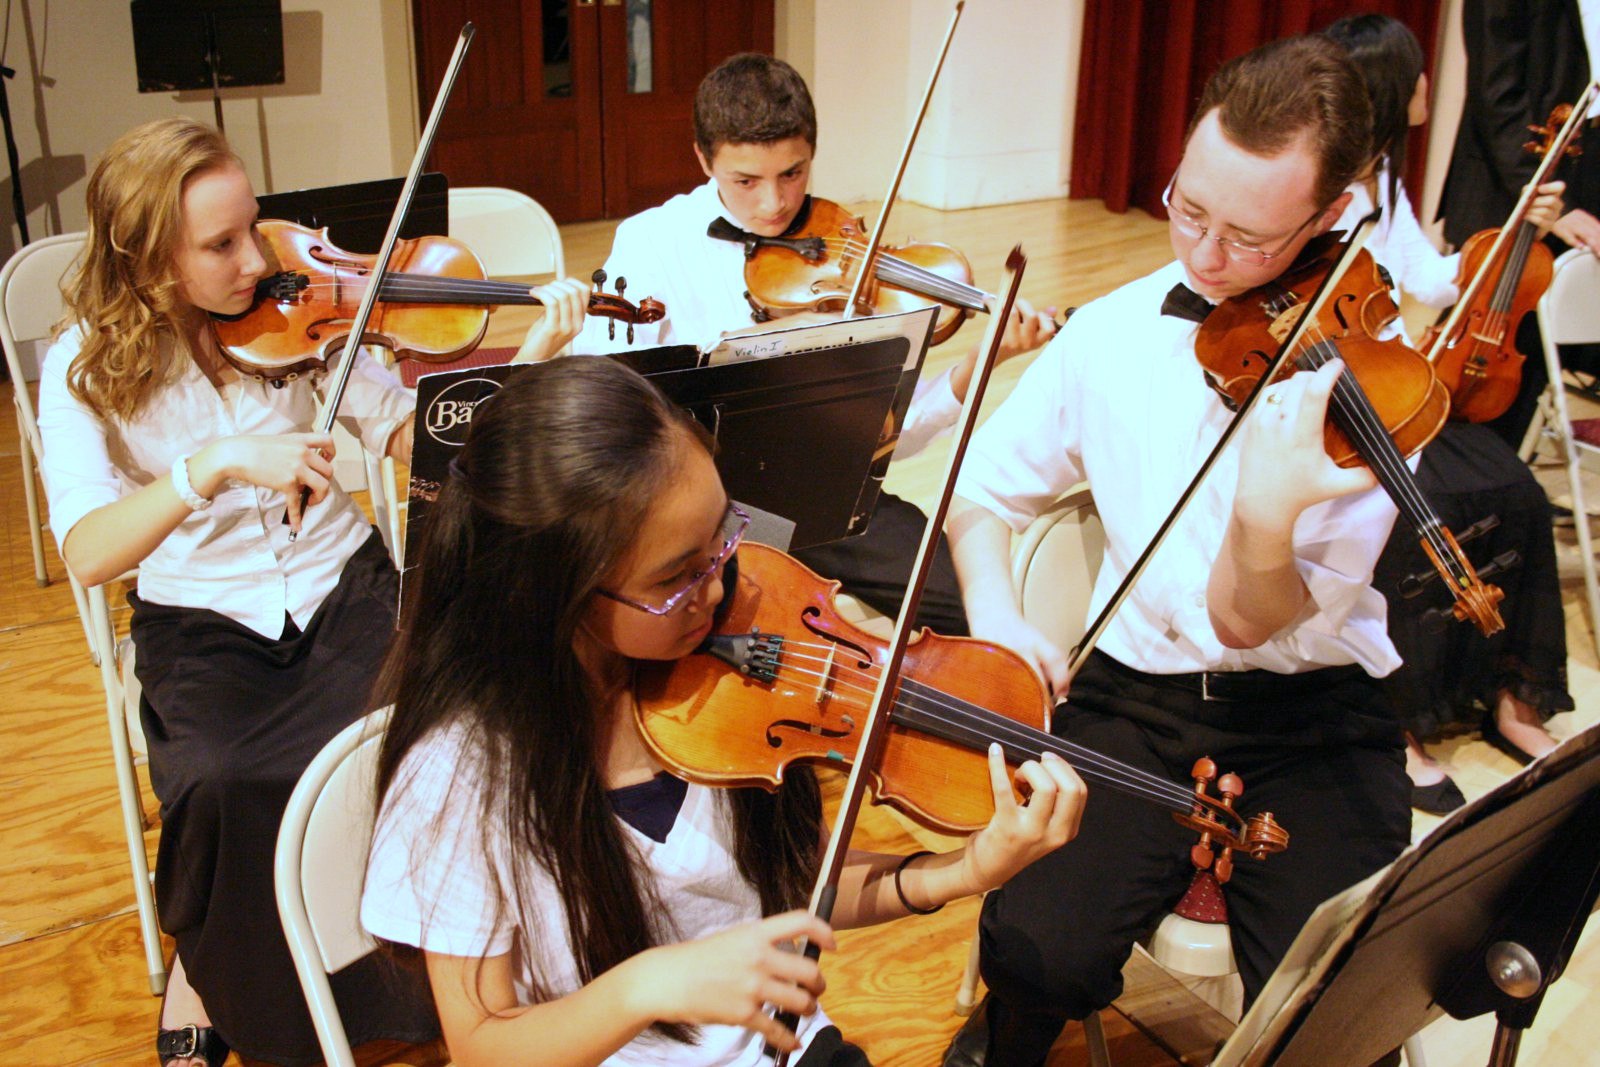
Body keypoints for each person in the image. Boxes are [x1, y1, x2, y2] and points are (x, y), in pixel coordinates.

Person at [33, 118, 585, 1067]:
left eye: (252, 226)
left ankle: (434, 969)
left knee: (438, 727)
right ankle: (211, 968)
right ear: (149, 260)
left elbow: (413, 436)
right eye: (220, 245)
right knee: (219, 779)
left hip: (341, 580)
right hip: (201, 615)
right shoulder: (84, 363)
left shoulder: (301, 310)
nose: (256, 259)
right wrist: (212, 464)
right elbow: (86, 551)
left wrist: (529, 360)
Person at [359, 356, 1086, 1067]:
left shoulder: (738, 665)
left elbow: (790, 883)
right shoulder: (458, 778)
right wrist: (648, 984)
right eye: (675, 577)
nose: (717, 590)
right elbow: (482, 1043)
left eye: (723, 539)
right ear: (553, 591)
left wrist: (962, 871)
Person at [939, 36, 1414, 1066]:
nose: (1203, 256)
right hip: (1133, 697)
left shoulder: (1376, 386)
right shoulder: (1110, 331)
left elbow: (1247, 618)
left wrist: (1264, 514)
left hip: (1313, 713)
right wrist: (997, 616)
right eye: (1188, 208)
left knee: (1341, 999)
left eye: (1248, 237)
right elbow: (977, 487)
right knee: (1036, 946)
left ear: (1331, 215)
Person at [571, 53, 1058, 636]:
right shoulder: (651, 244)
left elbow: (884, 439)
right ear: (703, 159)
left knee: (966, 604)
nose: (774, 203)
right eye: (745, 181)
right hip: (692, 505)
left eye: (793, 174)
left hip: (820, 493)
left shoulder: (845, 249)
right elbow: (603, 402)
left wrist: (982, 363)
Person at [1325, 14, 1572, 815]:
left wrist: (1516, 231)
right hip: (1354, 407)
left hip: (1408, 397)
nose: (1431, 85)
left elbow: (1431, 281)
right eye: (1419, 73)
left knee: (1518, 491)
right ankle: (1395, 722)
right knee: (1406, 520)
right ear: (1392, 89)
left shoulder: (1386, 182)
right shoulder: (1330, 194)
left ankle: (1512, 697)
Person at [1435, 0, 1600, 444]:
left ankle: (1500, 475)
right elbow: (1496, 93)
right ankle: (1437, 475)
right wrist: (1545, 195)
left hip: (1582, 181)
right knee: (1474, 363)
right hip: (1513, 186)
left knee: (1531, 365)